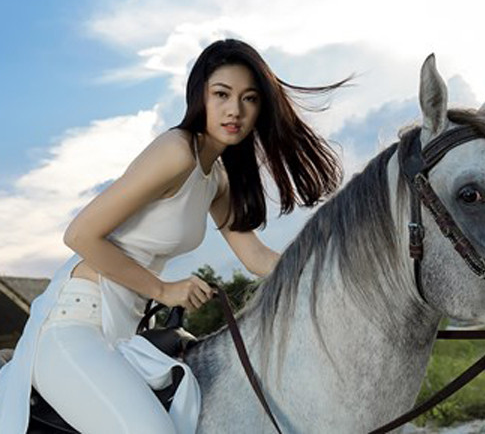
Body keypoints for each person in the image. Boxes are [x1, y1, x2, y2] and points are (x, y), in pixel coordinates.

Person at [0, 39, 347, 433]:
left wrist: (332, 272)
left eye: (249, 99)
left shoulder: (216, 179)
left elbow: (256, 257)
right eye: (222, 94)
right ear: (200, 96)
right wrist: (163, 290)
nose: (235, 110)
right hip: (73, 325)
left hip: (120, 334)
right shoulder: (177, 151)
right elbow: (80, 234)